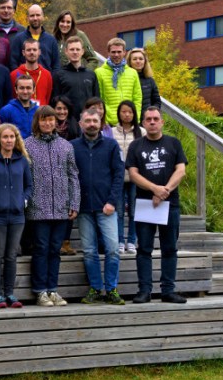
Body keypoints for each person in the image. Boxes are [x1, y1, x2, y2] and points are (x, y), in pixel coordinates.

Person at [126, 106, 188, 304]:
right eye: (148, 119)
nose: (152, 122)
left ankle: (168, 290)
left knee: (169, 248)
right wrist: (155, 189)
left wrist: (164, 192)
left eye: (155, 119)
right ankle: (144, 291)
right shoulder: (136, 146)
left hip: (170, 204)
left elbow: (181, 171)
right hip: (145, 203)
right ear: (143, 123)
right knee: (144, 249)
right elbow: (133, 174)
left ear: (162, 122)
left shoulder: (173, 143)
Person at [25, 106, 79, 307]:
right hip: (38, 208)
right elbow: (24, 176)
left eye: (51, 120)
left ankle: (53, 289)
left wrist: (74, 202)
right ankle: (40, 291)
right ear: (37, 121)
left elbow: (73, 175)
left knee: (55, 249)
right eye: (43, 120)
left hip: (61, 208)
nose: (48, 124)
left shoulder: (66, 146)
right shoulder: (28, 145)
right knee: (41, 248)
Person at [71, 108, 125, 305]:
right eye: (88, 121)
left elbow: (119, 175)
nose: (92, 124)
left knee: (112, 249)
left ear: (101, 122)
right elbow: (69, 176)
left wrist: (112, 201)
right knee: (89, 251)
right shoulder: (72, 146)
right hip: (83, 207)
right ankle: (95, 288)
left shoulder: (111, 145)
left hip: (107, 207)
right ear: (81, 124)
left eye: (95, 120)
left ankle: (111, 289)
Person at [0, 123, 32, 309]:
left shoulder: (22, 160)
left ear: (16, 139)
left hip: (17, 216)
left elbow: (29, 186)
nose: (9, 140)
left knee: (11, 255)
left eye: (12, 137)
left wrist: (23, 201)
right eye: (5, 137)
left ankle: (9, 292)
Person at [112, 100, 146, 255]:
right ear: (119, 113)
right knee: (118, 211)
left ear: (134, 114)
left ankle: (132, 240)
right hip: (118, 178)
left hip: (135, 178)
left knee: (134, 211)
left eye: (130, 112)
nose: (126, 115)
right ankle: (119, 240)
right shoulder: (112, 132)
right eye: (123, 111)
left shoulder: (142, 133)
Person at [51, 95, 80, 256]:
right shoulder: (48, 125)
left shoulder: (74, 127)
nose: (61, 112)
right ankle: (57, 240)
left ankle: (66, 241)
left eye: (64, 109)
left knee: (69, 205)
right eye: (58, 108)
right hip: (51, 171)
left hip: (68, 171)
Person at [95, 37, 142, 126]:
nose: (116, 55)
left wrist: (136, 118)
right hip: (109, 123)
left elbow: (137, 98)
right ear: (108, 52)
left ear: (124, 52)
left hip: (129, 121)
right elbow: (99, 99)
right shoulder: (99, 72)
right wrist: (104, 120)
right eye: (113, 52)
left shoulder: (132, 73)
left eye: (119, 52)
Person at [52, 36, 100, 119]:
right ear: (66, 51)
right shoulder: (59, 75)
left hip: (88, 121)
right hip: (67, 123)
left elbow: (96, 101)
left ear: (82, 52)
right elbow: (55, 102)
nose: (75, 52)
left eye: (77, 49)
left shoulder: (91, 75)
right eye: (72, 49)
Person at [9, 5, 60, 72]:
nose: (35, 18)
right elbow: (13, 63)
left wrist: (50, 80)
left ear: (43, 17)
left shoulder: (51, 40)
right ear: (27, 18)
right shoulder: (18, 39)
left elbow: (56, 66)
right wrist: (20, 79)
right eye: (32, 15)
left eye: (38, 15)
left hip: (45, 81)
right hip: (23, 81)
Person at [11, 39, 53, 106]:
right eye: (28, 50)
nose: (32, 52)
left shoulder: (47, 74)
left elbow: (47, 98)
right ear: (23, 53)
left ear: (39, 52)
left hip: (41, 114)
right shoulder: (14, 74)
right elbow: (13, 97)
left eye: (34, 50)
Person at [0, 74, 39, 139]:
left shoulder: (38, 111)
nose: (25, 91)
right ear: (16, 90)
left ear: (33, 90)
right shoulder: (6, 111)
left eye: (28, 88)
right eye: (22, 88)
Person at [127, 48, 161, 120]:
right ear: (129, 62)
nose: (138, 61)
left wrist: (151, 114)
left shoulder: (150, 80)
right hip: (130, 119)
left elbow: (157, 101)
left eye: (141, 59)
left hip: (146, 120)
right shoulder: (125, 79)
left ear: (145, 61)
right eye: (135, 59)